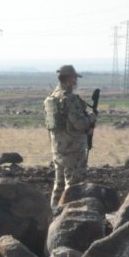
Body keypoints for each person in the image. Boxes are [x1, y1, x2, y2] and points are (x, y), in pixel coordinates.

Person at [43, 64, 96, 207]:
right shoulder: (69, 99)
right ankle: (67, 216)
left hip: (58, 148)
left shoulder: (51, 98)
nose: (76, 81)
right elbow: (79, 123)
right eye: (74, 78)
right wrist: (91, 118)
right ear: (69, 78)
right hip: (73, 149)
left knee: (59, 185)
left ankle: (53, 213)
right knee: (73, 186)